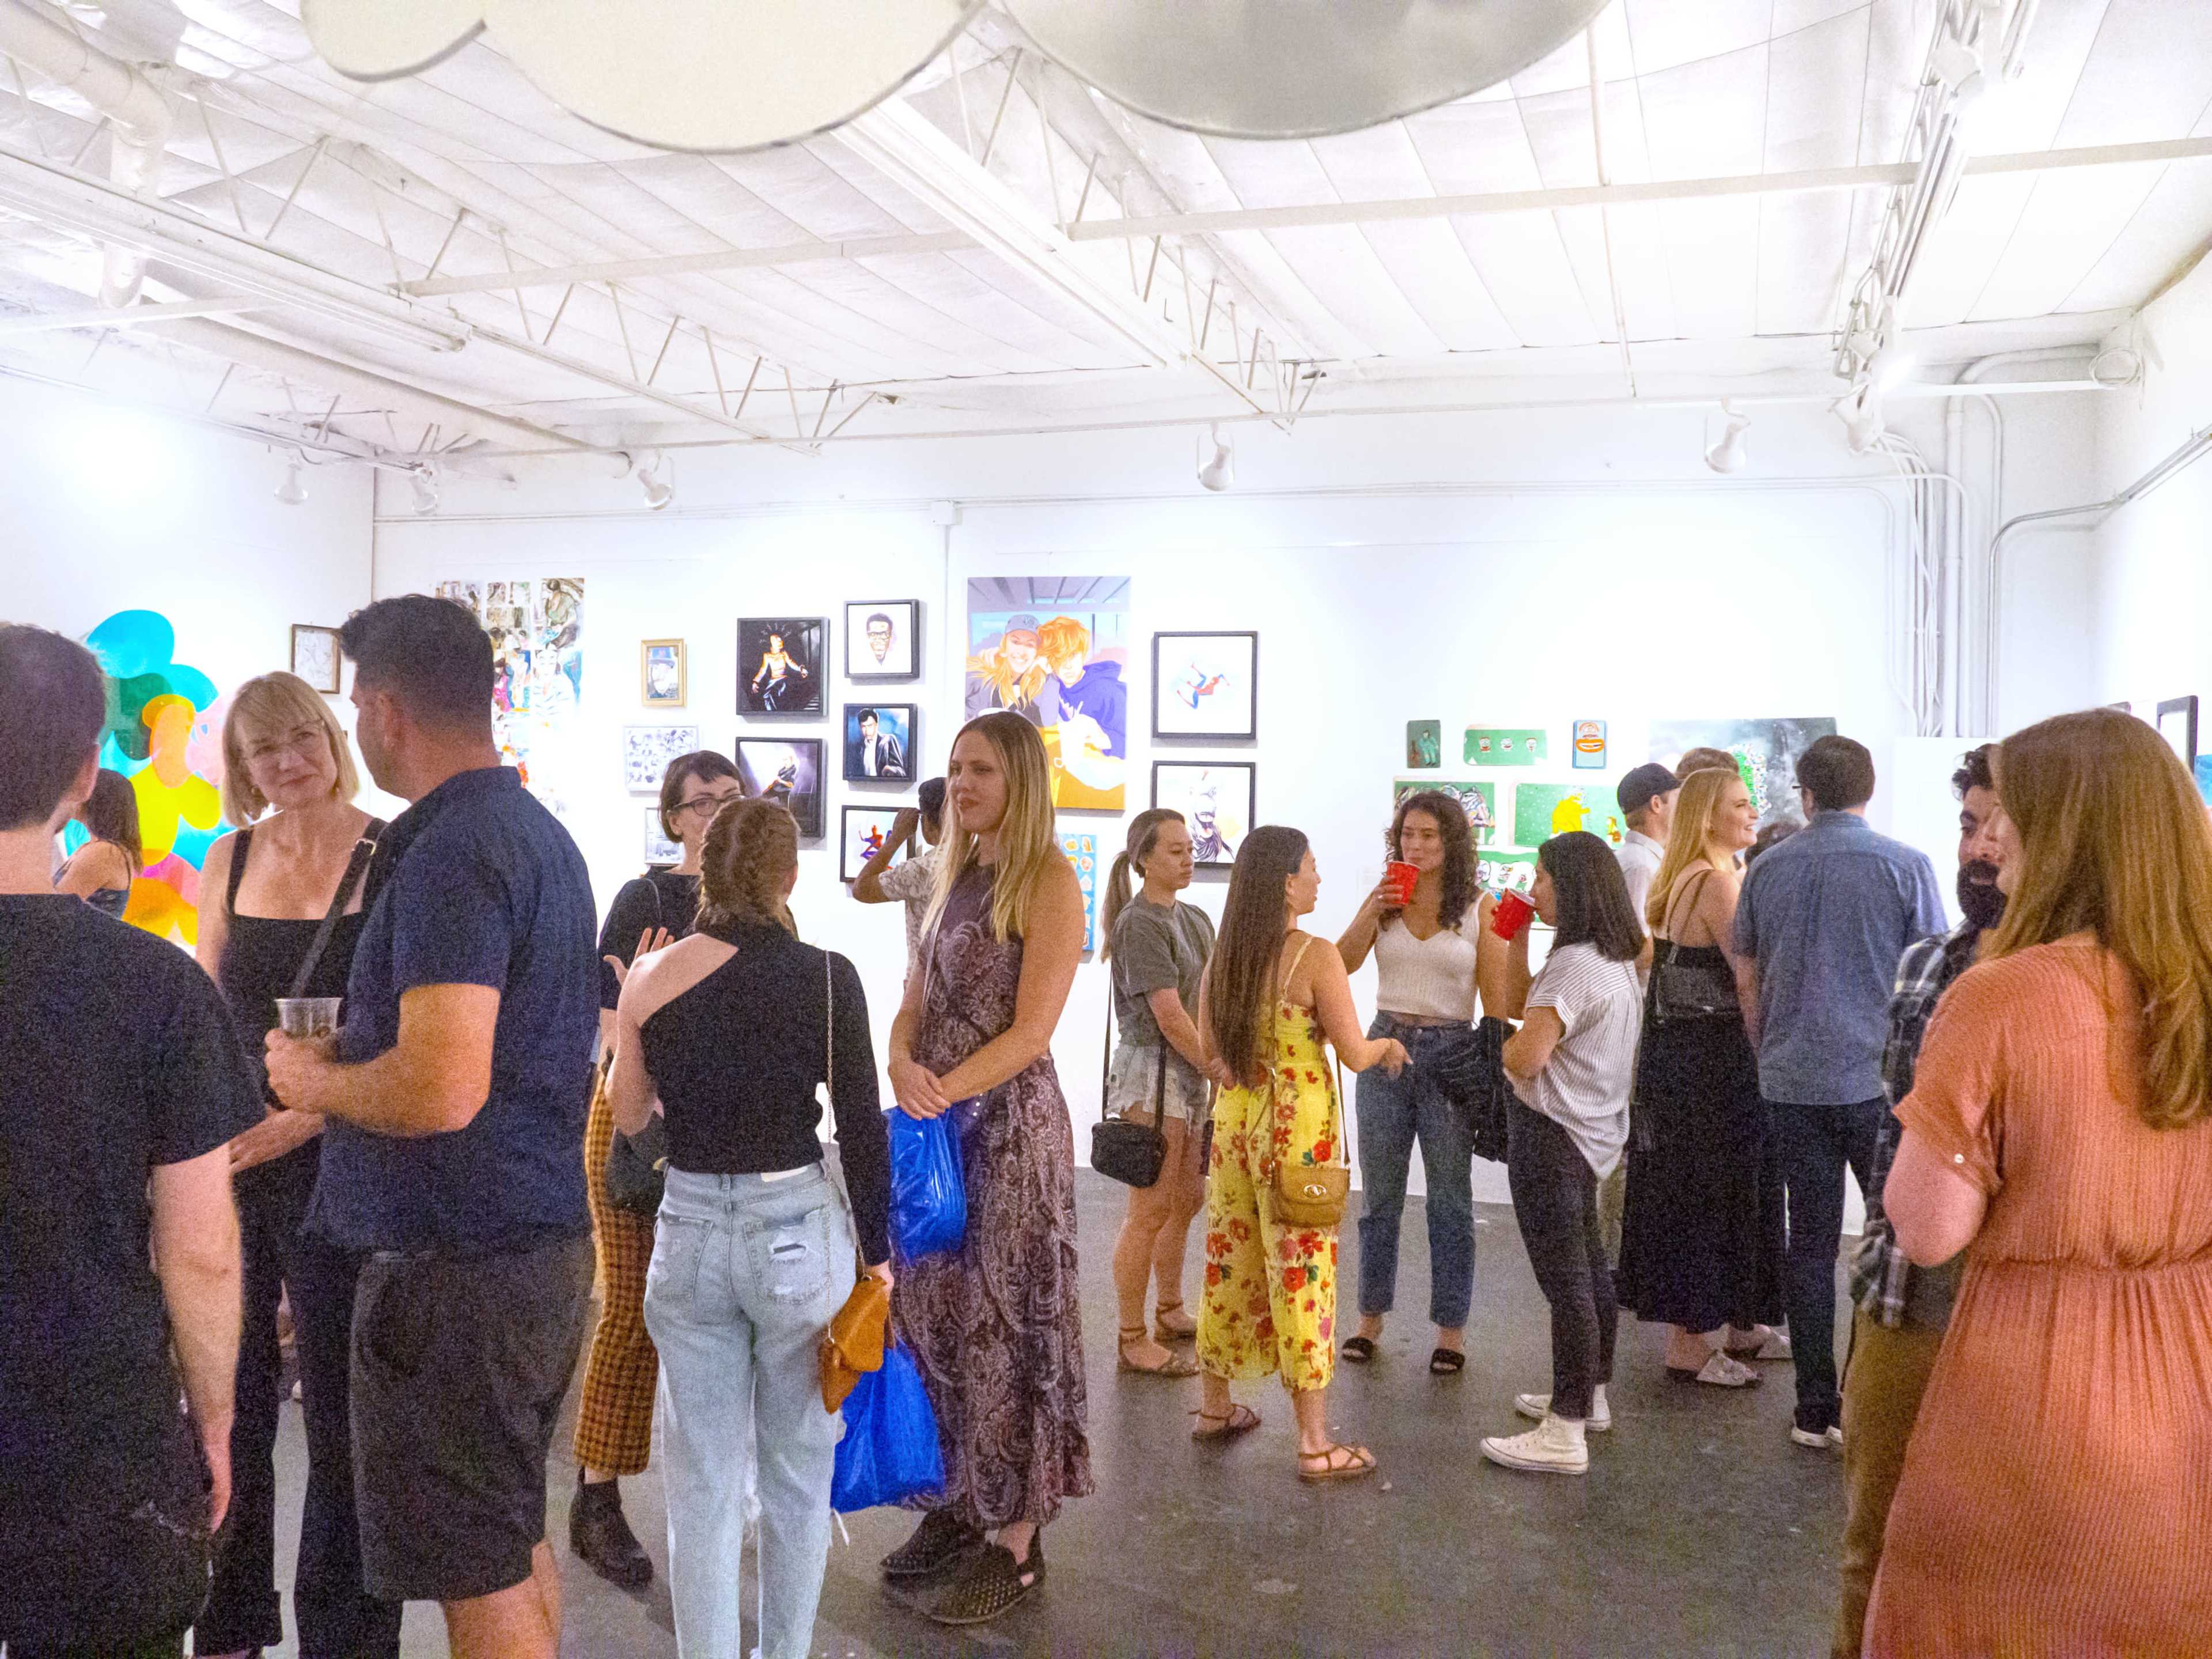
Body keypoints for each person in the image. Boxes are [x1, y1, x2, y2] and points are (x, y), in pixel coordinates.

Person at [263, 594, 599, 1658]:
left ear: (384, 708)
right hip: (523, 1247)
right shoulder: (532, 833)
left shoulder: (455, 853)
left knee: (474, 1570)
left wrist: (315, 1086)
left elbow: (442, 1086)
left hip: (459, 1267)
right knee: (503, 1547)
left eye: (355, 705)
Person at [1868, 709, 2212, 1651]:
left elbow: (1929, 1227)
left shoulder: (2002, 993)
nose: (1992, 838)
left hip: (2035, 1392)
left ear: (2066, 828)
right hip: (2189, 1386)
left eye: (2012, 811)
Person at [0, 624, 259, 1658]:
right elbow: (200, 1248)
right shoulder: (155, 988)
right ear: (82, 778)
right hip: (93, 1439)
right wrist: (213, 1417)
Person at [609, 797, 893, 1658]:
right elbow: (861, 1125)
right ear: (788, 877)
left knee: (699, 1485)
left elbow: (629, 1120)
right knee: (798, 1475)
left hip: (690, 1224)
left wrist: (643, 1022)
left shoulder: (651, 981)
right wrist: (879, 1258)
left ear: (702, 871)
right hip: (796, 1231)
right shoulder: (826, 977)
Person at [192, 672, 400, 1659]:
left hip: (345, 1158)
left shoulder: (388, 853)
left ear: (333, 736)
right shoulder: (226, 858)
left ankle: (344, 1639)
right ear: (241, 766)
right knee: (225, 1406)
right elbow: (203, 1020)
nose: (287, 762)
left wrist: (301, 1119)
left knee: (341, 1419)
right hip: (233, 1162)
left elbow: (407, 1029)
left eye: (302, 738)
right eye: (263, 749)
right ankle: (228, 1623)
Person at [881, 712, 1089, 1625]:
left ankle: (1017, 1533)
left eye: (982, 772)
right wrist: (899, 1064)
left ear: (1021, 783)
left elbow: (1034, 1030)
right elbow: (911, 996)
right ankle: (963, 1504)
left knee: (1010, 1324)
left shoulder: (1049, 880)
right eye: (956, 769)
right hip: (940, 1128)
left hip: (1009, 1133)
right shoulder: (951, 875)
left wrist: (943, 1090)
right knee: (938, 1319)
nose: (962, 785)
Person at [1830, 745, 2002, 1658]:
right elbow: (1909, 1137)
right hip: (1905, 1296)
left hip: (2018, 1315)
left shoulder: (2106, 987)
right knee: (1876, 1540)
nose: (1980, 849)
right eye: (1970, 825)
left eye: (1999, 828)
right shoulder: (1930, 963)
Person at [1733, 734, 1945, 1450]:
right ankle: (1870, 1400)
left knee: (1810, 1244)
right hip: (1878, 1083)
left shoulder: (1767, 869)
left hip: (1792, 1080)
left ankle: (1812, 1407)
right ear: (1870, 789)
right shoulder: (1907, 866)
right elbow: (1934, 983)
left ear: (1806, 792)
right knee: (1889, 1241)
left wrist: (1771, 1053)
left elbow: (1746, 976)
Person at [570, 750, 741, 1589]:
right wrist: (647, 1094)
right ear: (673, 817)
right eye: (700, 802)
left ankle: (715, 1496)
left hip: (725, 1122)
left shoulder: (758, 902)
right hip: (639, 1115)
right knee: (634, 1307)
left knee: (717, 1312)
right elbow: (608, 1018)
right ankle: (596, 1493)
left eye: (729, 799)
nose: (714, 813)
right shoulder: (647, 898)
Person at [1194, 826, 1409, 1483]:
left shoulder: (1223, 959)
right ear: (1287, 883)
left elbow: (1211, 1056)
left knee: (1228, 1262)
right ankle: (1316, 1444)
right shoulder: (1314, 957)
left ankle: (1214, 1409)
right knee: (1302, 1274)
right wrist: (1389, 1049)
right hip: (1297, 1136)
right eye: (1312, 869)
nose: (1318, 879)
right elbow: (1352, 1049)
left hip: (1233, 1131)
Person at [1615, 766, 1787, 1386]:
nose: (1751, 813)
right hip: (1713, 1067)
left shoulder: (1686, 874)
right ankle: (1691, 1344)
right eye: (1739, 805)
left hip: (1684, 1061)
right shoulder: (1715, 882)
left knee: (1709, 1190)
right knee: (1708, 1193)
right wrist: (1770, 1050)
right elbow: (1747, 980)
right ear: (1709, 815)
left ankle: (1736, 1324)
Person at [1483, 831, 1646, 1475]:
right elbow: (1529, 998)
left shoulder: (1576, 966)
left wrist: (1496, 1052)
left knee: (1566, 1282)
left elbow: (1527, 1050)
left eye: (1544, 878)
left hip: (1553, 1133)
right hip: (1590, 1135)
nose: (1536, 887)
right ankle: (1589, 1395)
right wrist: (1516, 936)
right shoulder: (1608, 960)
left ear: (1573, 886)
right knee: (1589, 1269)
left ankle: (1566, 1428)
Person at [1334, 789, 1502, 1374]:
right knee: (1379, 1196)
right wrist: (1370, 910)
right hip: (1386, 1047)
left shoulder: (1479, 907)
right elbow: (1342, 963)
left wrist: (1489, 1060)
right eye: (1408, 834)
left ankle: (1450, 1332)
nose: (1418, 845)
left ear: (1453, 841)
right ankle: (1368, 1321)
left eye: (1430, 835)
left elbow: (1497, 997)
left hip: (1451, 1050)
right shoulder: (1386, 899)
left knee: (1450, 1200)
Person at [1101, 808, 1216, 1378]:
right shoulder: (1138, 922)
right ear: (1144, 858)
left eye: (1188, 847)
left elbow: (1208, 1000)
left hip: (1189, 1074)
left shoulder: (1194, 918)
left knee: (1186, 1197)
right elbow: (1169, 1015)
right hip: (1155, 1073)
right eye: (1174, 849)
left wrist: (1214, 1061)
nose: (1187, 856)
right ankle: (1131, 1334)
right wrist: (1217, 1064)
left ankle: (1169, 1308)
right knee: (1148, 1210)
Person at [851, 775, 947, 973]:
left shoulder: (922, 870)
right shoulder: (979, 860)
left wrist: (896, 837)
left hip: (924, 982)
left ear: (926, 820)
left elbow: (861, 889)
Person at [54, 764, 142, 918]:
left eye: (79, 790)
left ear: (96, 799)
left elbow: (53, 909)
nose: (71, 796)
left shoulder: (104, 852)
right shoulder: (100, 848)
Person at [1612, 763, 1679, 923]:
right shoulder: (1641, 866)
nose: (1682, 808)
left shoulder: (1634, 857)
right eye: (1678, 799)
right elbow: (1638, 936)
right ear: (1656, 804)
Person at [967, 613, 1060, 728]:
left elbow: (1047, 721)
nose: (1021, 651)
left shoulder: (1039, 683)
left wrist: (1051, 675)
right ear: (1005, 645)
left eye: (1030, 645)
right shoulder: (984, 673)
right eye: (1015, 642)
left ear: (1037, 652)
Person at [750, 631, 810, 712]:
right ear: (772, 643)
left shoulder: (784, 653)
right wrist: (756, 682)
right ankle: (772, 715)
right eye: (777, 641)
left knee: (782, 691)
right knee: (766, 696)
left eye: (780, 640)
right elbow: (763, 670)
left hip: (783, 678)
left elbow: (792, 664)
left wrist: (801, 669)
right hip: (773, 680)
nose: (780, 642)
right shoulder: (767, 655)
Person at [853, 707, 908, 780]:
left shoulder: (888, 740)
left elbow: (901, 771)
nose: (867, 731)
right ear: (860, 727)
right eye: (864, 727)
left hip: (888, 788)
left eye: (870, 726)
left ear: (877, 725)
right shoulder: (858, 747)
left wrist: (892, 770)